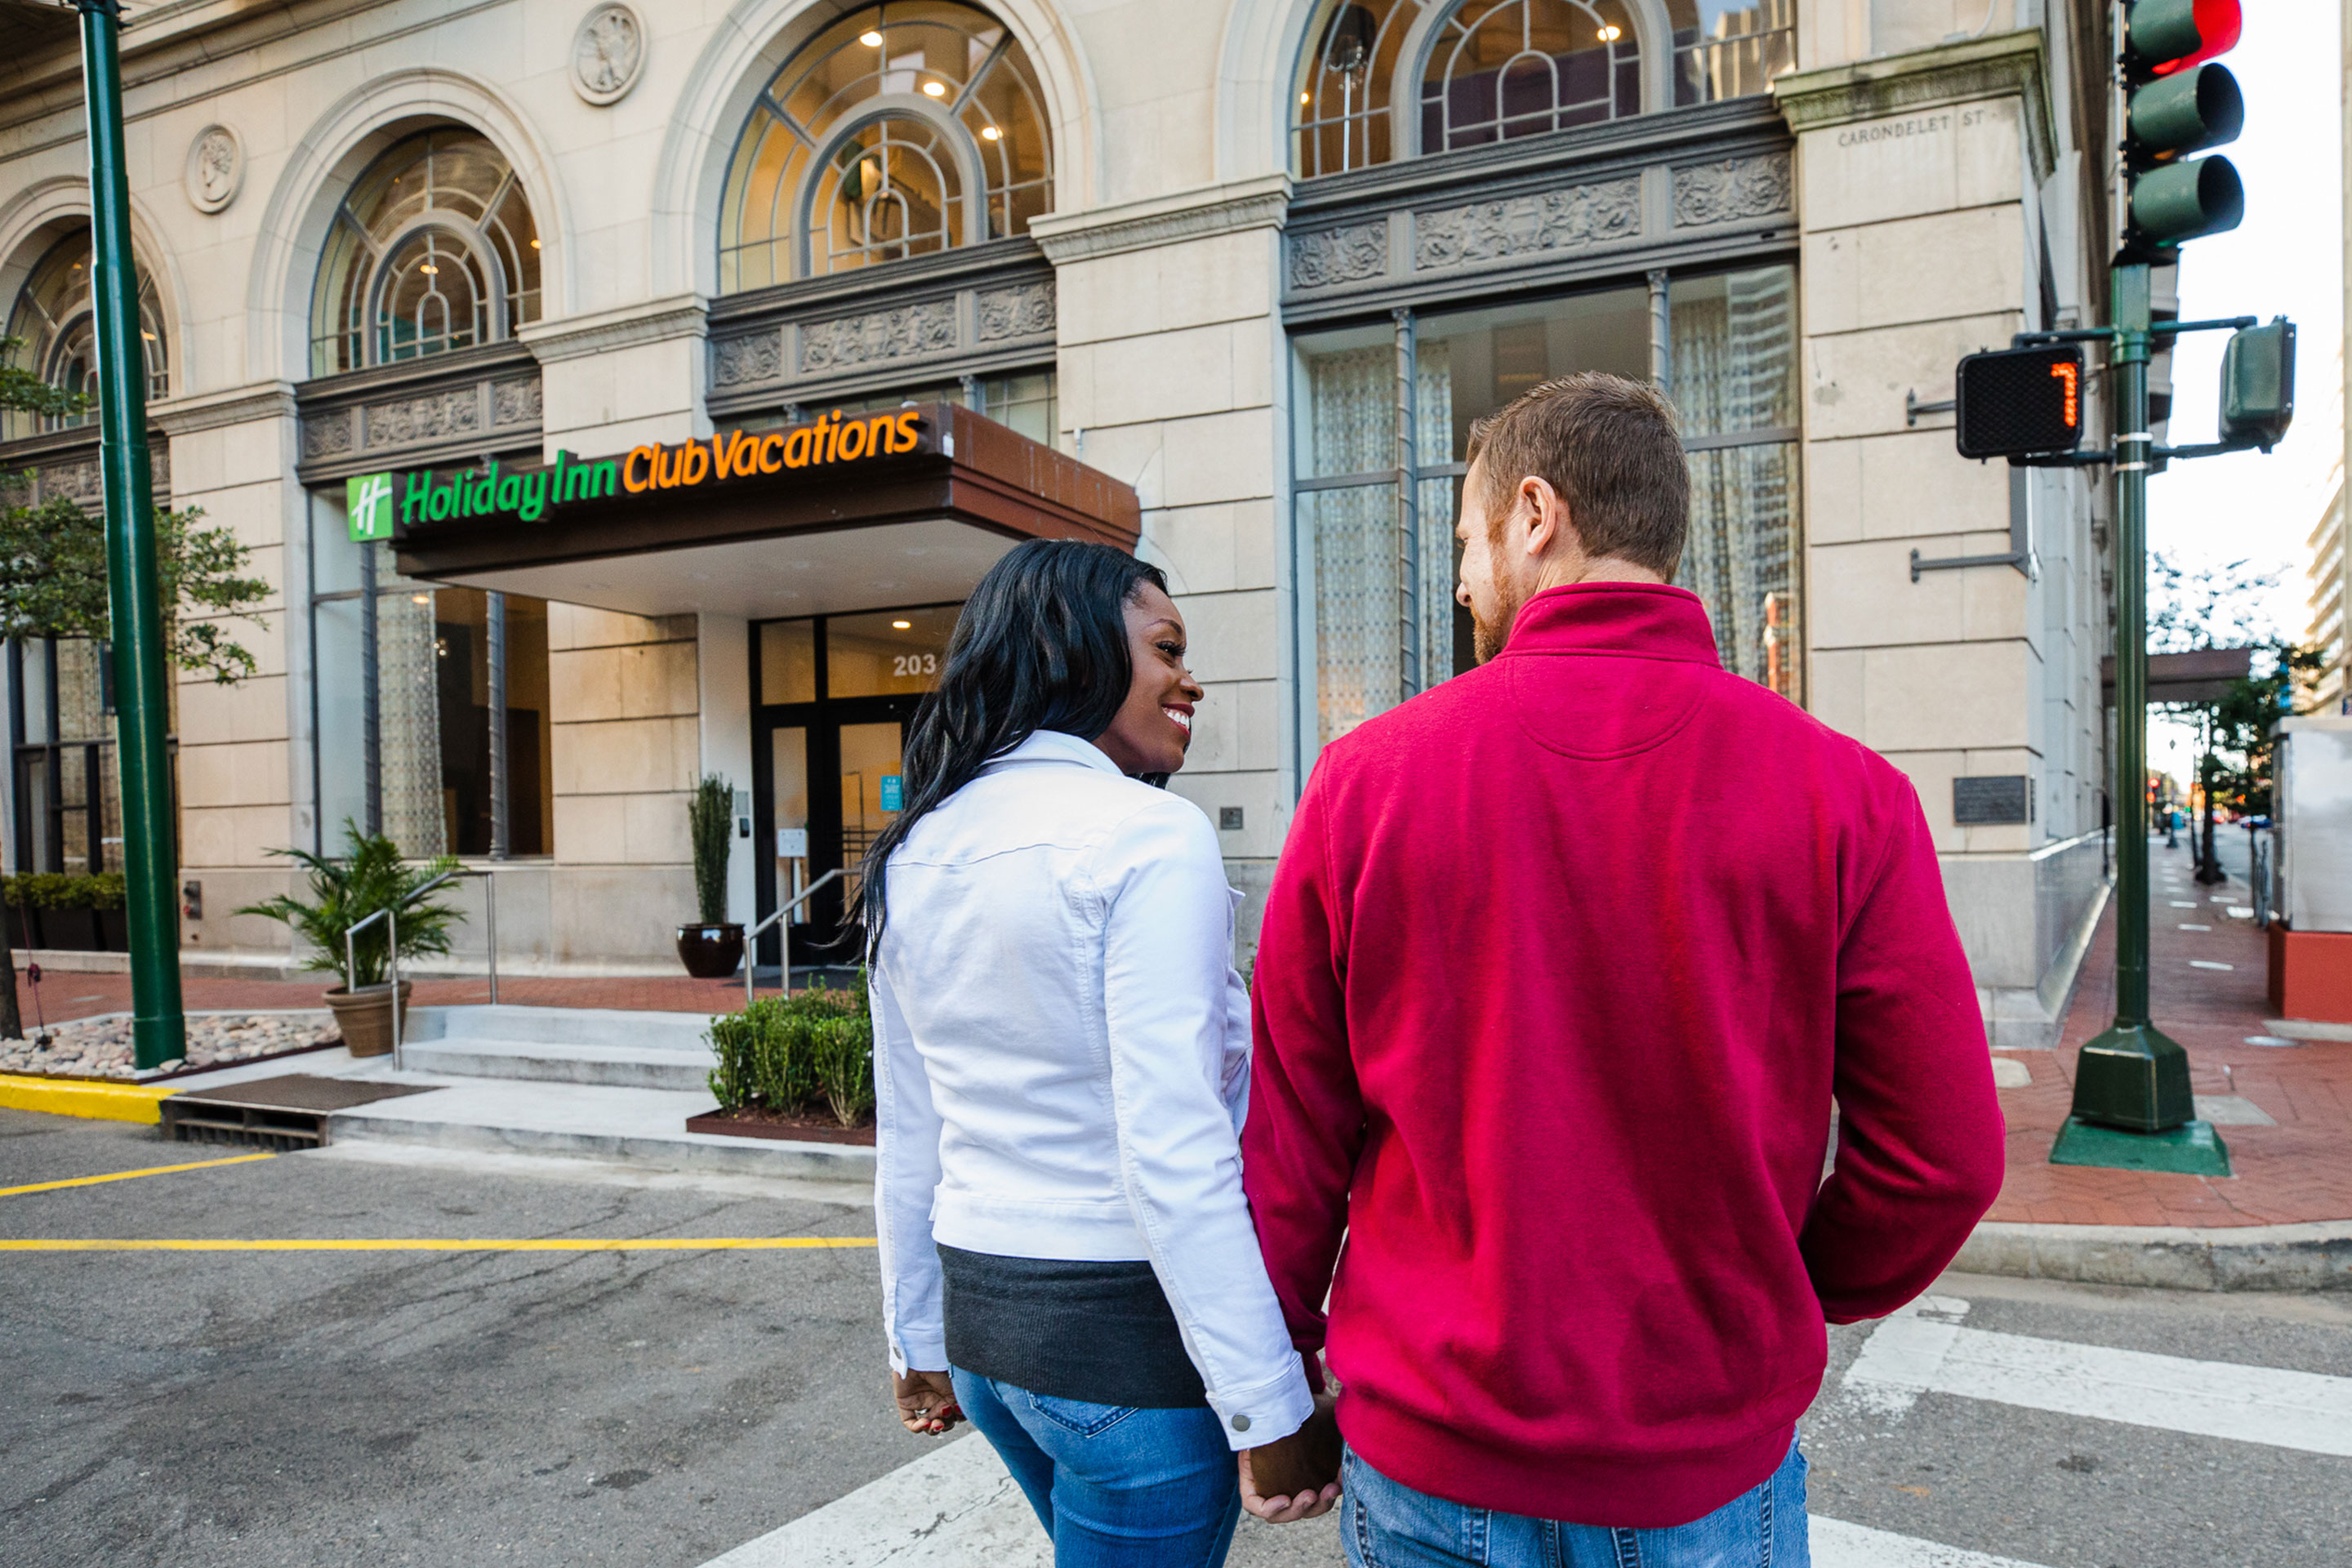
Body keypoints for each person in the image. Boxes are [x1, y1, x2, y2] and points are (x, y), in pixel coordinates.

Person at [1242, 373, 2007, 1565]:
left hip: (1432, 1459)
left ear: (1534, 515)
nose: (1458, 582)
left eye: (1466, 541)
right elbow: (1944, 1157)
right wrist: (1780, 1296)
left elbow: (1292, 1137)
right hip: (1702, 1467)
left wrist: (1273, 1379)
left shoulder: (1365, 786)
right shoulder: (1848, 796)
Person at [866, 539, 1339, 1566]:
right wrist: (1269, 1406)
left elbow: (911, 1129)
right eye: (1166, 647)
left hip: (991, 1346)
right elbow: (1174, 1145)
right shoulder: (1145, 838)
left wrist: (919, 1340)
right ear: (1067, 648)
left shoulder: (916, 848)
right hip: (1126, 1364)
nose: (1190, 677)